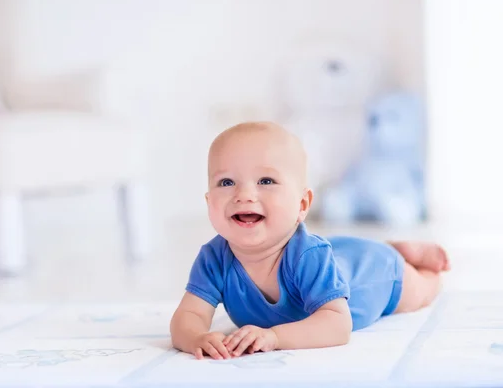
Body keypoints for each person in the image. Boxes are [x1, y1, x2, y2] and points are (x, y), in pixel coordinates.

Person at [170, 121, 450, 360]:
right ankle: (392, 246)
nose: (244, 194)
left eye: (266, 181)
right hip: (336, 255)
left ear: (302, 204)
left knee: (422, 291)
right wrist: (195, 338)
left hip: (376, 273)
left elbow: (338, 325)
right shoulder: (214, 258)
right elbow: (189, 316)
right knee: (334, 253)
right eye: (227, 182)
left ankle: (404, 257)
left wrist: (274, 337)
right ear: (209, 202)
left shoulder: (308, 256)